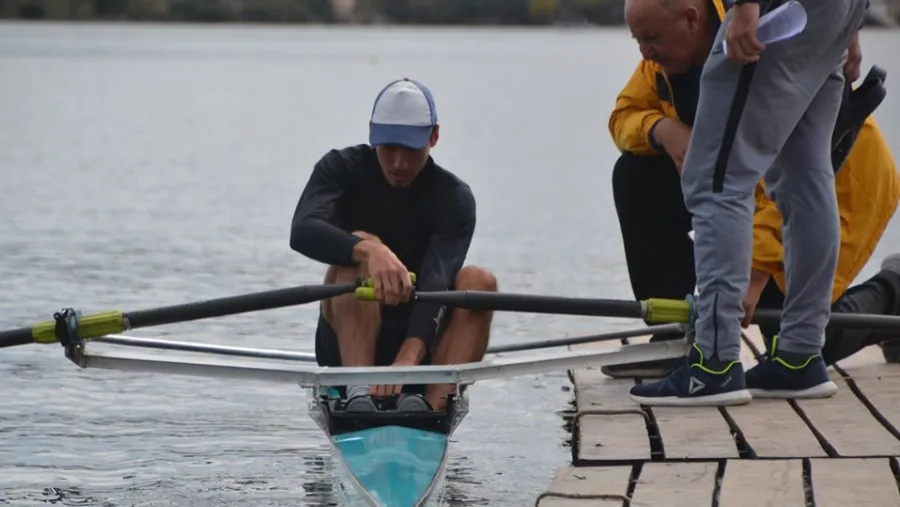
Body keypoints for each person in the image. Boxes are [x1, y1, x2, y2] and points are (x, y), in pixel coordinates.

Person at [614, 0, 894, 406]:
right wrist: (850, 23)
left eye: (651, 38)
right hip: (831, 11)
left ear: (692, 19)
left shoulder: (736, 28)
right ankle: (798, 357)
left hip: (776, 11)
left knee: (716, 179)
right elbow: (624, 113)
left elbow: (724, 184)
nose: (645, 50)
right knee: (802, 175)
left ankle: (714, 365)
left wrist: (745, 6)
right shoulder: (661, 64)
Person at [290, 78, 497, 413]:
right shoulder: (340, 170)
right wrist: (370, 251)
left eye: (411, 150)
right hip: (346, 349)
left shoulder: (454, 198)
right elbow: (302, 231)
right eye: (389, 148)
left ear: (434, 137)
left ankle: (432, 411)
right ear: (372, 135)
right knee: (352, 258)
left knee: (480, 283)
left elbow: (437, 279)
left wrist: (408, 358)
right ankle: (358, 396)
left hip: (423, 356)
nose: (399, 163)